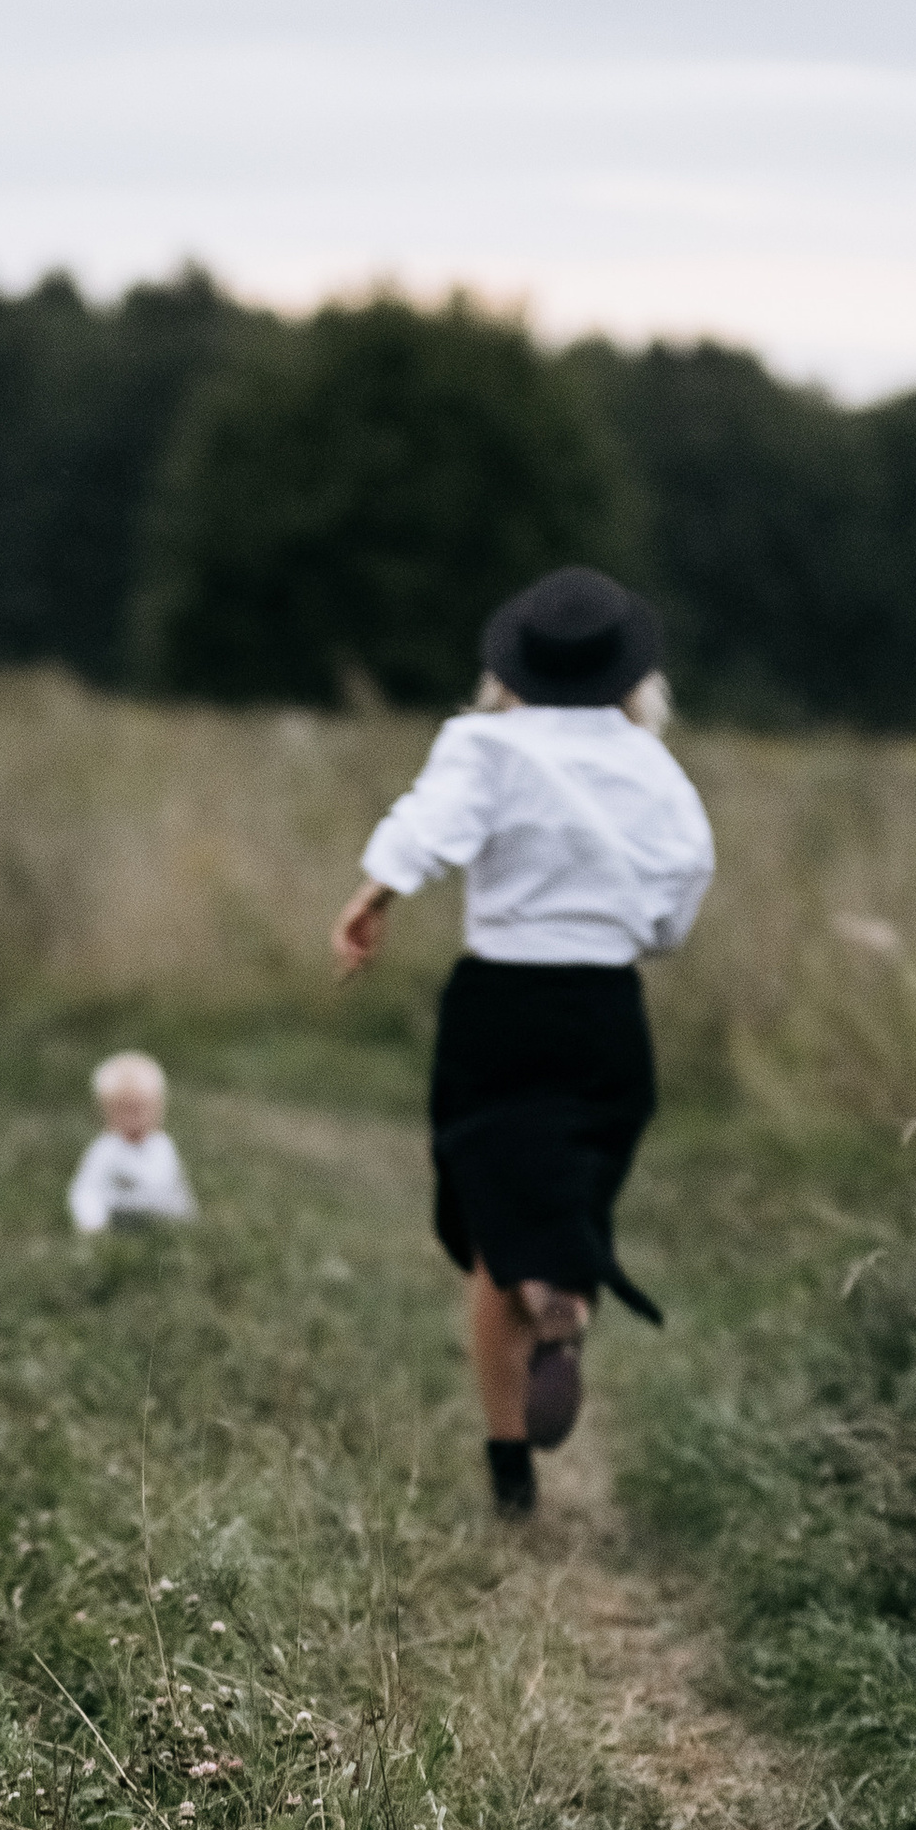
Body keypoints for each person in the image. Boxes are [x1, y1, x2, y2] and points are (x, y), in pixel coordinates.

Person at [332, 565, 715, 1515]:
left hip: (499, 1003)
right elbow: (681, 888)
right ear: (631, 677)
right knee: (559, 1203)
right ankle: (566, 1297)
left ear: (513, 667)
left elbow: (429, 828)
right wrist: (641, 935)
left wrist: (372, 897)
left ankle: (510, 1474)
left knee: (493, 1234)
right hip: (604, 1012)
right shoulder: (654, 770)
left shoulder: (484, 745)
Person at [68, 1049, 199, 1235]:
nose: (138, 1117)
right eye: (127, 1110)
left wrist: (186, 1220)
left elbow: (176, 1187)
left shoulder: (163, 1145)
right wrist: (92, 1222)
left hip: (158, 1220)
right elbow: (86, 1190)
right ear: (107, 1113)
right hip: (119, 1218)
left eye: (145, 1108)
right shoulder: (106, 1150)